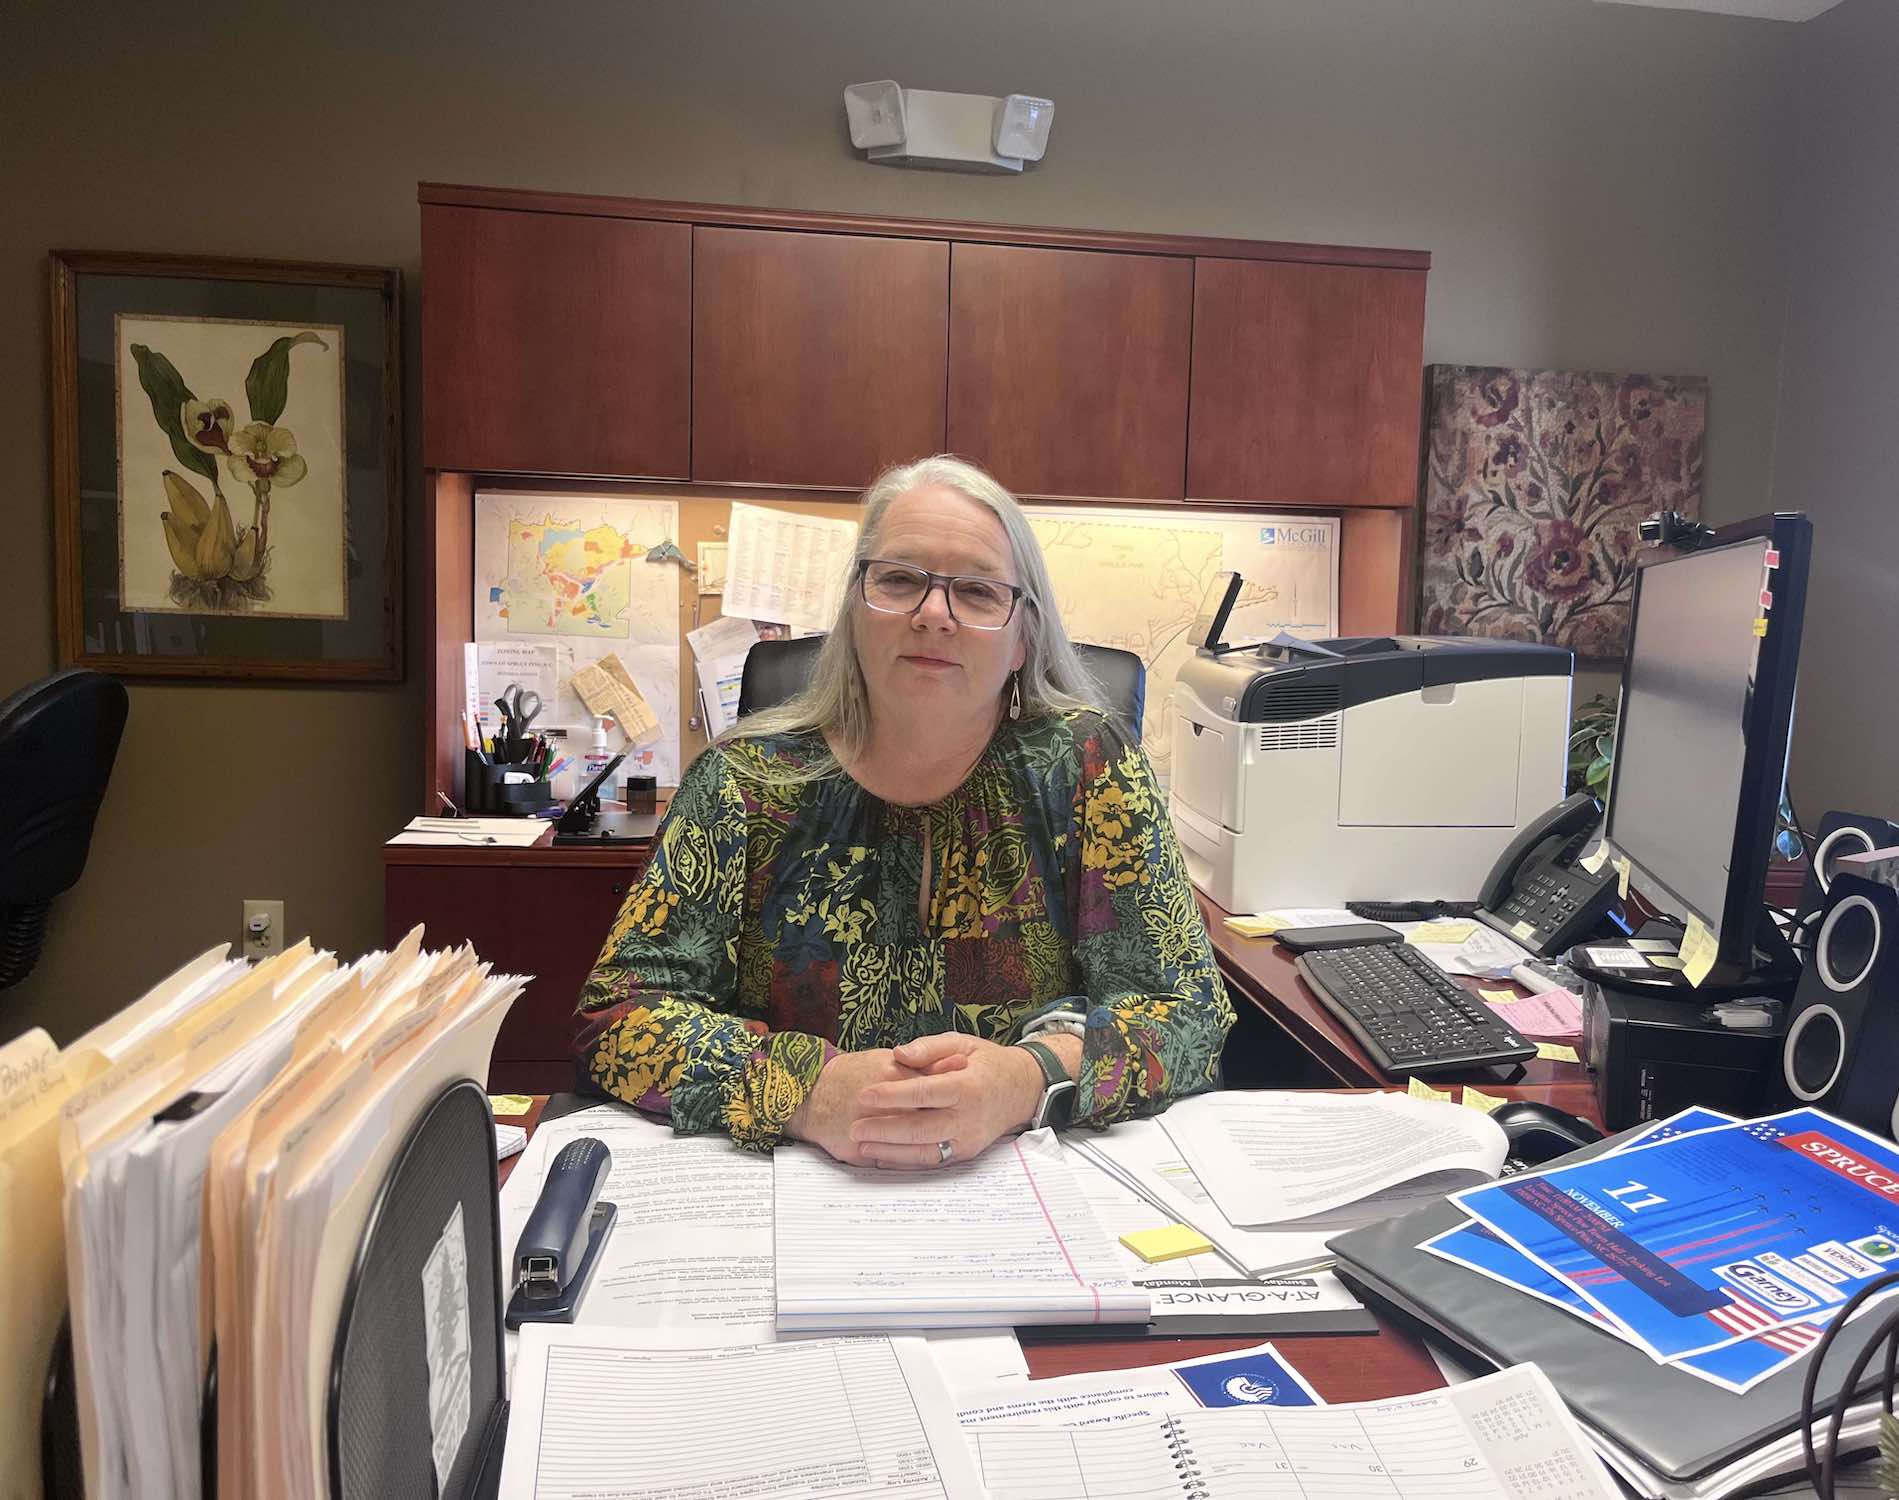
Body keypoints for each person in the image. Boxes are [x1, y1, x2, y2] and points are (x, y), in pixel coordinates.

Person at [574, 455, 1233, 1165]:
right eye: (899, 580)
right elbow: (620, 1017)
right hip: (794, 1194)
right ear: (854, 610)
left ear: (1022, 638)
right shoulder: (741, 783)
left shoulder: (1088, 771)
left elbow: (1187, 1013)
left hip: (1028, 1193)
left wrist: (1027, 1076)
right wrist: (806, 1091)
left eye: (977, 592)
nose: (932, 615)